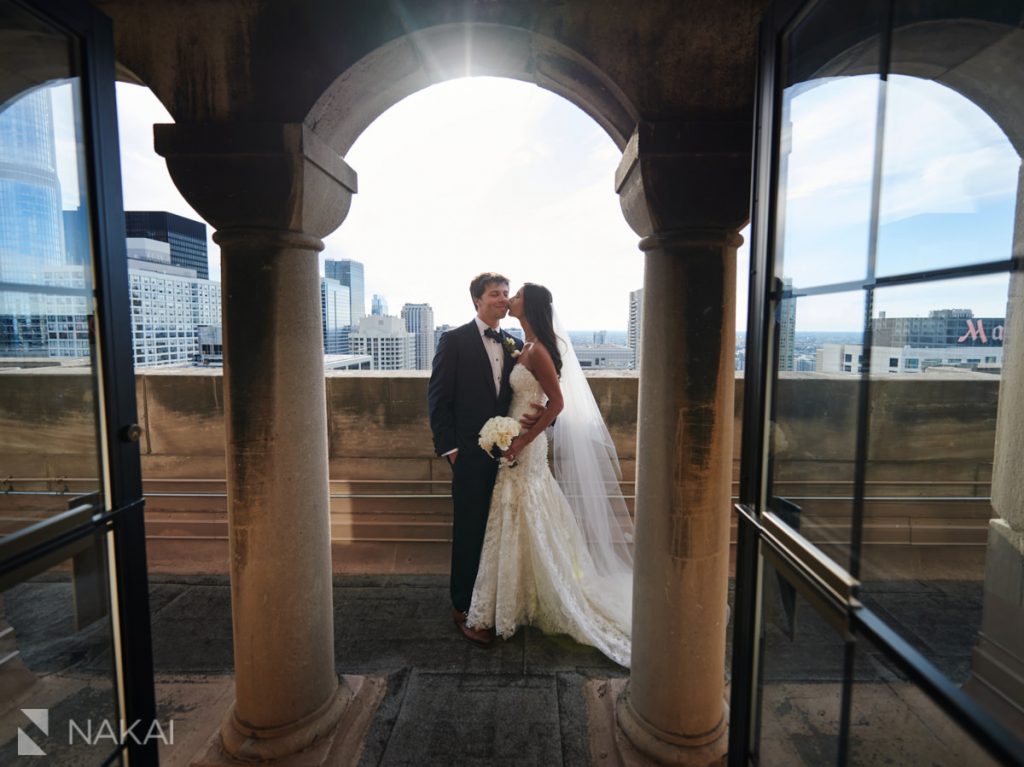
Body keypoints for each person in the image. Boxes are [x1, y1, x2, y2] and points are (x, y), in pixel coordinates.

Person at [465, 283, 634, 668]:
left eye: (518, 294)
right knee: (517, 514)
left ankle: (540, 595)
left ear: (532, 305)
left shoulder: (538, 350)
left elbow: (557, 402)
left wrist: (524, 439)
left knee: (525, 509)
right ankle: (521, 596)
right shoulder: (524, 346)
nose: (511, 298)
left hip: (526, 446)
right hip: (514, 440)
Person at [427, 272, 526, 647]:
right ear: (477, 301)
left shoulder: (515, 343)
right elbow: (438, 400)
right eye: (494, 294)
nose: (502, 299)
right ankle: (462, 606)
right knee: (469, 531)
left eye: (505, 293)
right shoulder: (454, 340)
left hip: (507, 456)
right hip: (468, 455)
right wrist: (452, 451)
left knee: (498, 531)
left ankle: (494, 601)